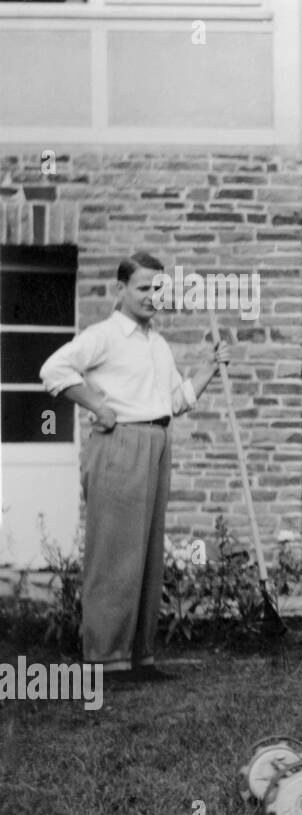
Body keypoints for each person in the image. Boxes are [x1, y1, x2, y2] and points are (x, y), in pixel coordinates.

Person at [39, 251, 231, 681]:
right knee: (114, 554)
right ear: (120, 289)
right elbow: (53, 369)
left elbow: (176, 401)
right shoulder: (104, 335)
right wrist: (97, 406)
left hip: (157, 441)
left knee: (146, 555)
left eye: (159, 289)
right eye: (144, 287)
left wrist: (209, 369)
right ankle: (105, 661)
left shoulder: (156, 344)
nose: (151, 296)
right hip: (119, 444)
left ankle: (137, 658)